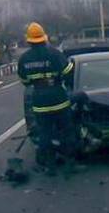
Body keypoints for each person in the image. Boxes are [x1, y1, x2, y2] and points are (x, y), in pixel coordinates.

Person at [17, 22, 79, 176]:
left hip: (39, 100)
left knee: (45, 134)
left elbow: (25, 81)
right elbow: (69, 72)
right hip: (58, 97)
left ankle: (50, 166)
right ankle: (70, 164)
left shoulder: (24, 59)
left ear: (29, 40)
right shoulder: (54, 53)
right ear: (44, 38)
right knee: (67, 132)